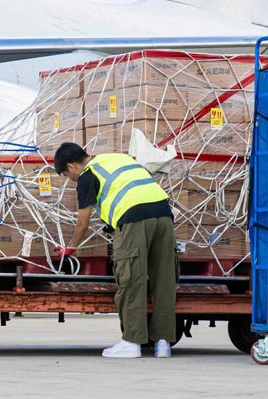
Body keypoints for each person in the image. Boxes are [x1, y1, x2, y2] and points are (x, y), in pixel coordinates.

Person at [54, 143, 178, 359]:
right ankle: (163, 343)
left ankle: (131, 342)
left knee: (131, 280)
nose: (70, 179)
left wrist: (70, 248)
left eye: (66, 175)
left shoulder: (87, 175)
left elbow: (82, 223)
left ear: (72, 167)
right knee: (164, 280)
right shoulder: (116, 158)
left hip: (133, 220)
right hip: (164, 214)